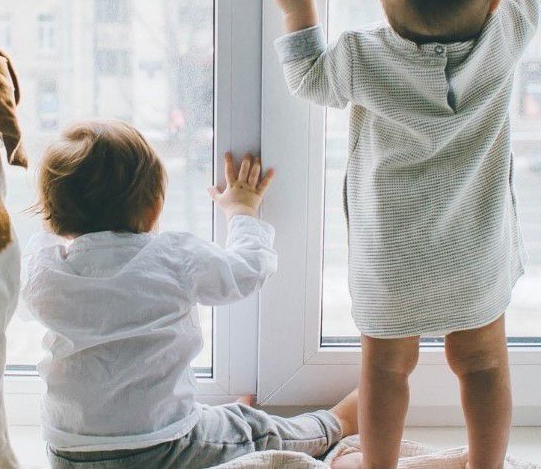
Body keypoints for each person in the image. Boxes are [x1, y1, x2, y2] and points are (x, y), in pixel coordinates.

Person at [272, 0, 541, 469]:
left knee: (386, 371)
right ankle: (486, 466)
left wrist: (300, 14)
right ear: (495, 0)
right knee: (483, 364)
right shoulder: (507, 34)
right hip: (475, 251)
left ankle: (378, 466)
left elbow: (308, 78)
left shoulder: (363, 56)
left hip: (391, 257)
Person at [22, 120, 358, 468]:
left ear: (54, 218)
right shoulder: (170, 256)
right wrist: (241, 211)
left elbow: (32, 258)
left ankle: (220, 426)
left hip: (67, 453)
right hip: (162, 447)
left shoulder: (45, 271)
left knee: (215, 423)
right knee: (254, 431)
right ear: (154, 208)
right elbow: (248, 269)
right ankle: (336, 423)